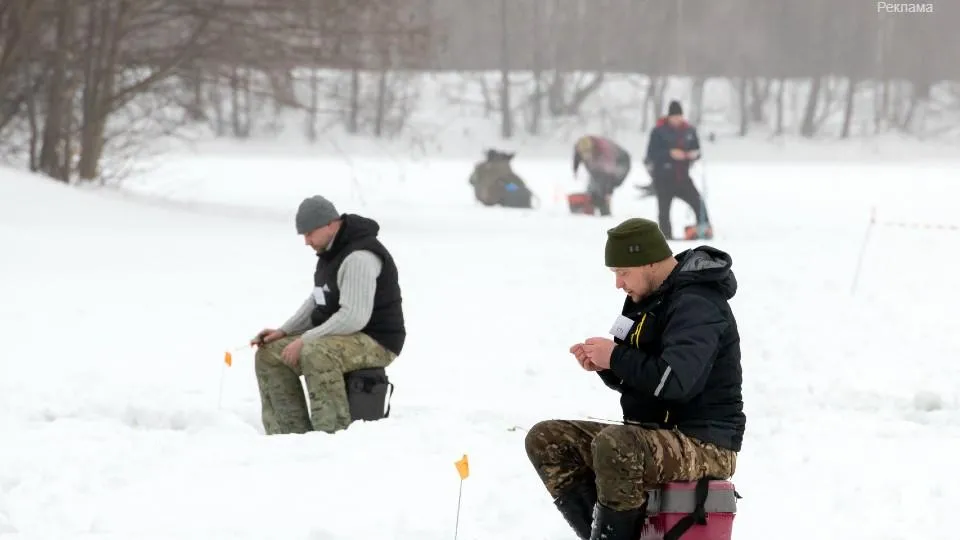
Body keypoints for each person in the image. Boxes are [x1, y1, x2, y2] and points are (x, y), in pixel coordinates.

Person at [524, 217, 745, 540]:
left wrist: (615, 357)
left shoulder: (698, 303)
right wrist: (606, 366)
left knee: (615, 445)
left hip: (705, 442)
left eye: (622, 273)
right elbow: (642, 377)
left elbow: (676, 382)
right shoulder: (647, 298)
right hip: (655, 435)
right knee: (548, 439)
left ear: (651, 262)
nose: (618, 284)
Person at [251, 195, 405, 435]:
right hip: (340, 334)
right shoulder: (331, 253)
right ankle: (288, 434)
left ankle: (331, 435)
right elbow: (317, 299)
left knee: (316, 352)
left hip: (377, 340)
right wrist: (284, 331)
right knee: (270, 354)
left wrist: (306, 339)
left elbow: (354, 317)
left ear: (330, 224)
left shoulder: (359, 257)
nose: (306, 241)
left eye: (309, 233)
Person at [644, 101, 711, 239]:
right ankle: (666, 237)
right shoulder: (658, 131)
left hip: (682, 177)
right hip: (663, 178)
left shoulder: (689, 131)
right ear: (669, 117)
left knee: (698, 203)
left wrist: (694, 154)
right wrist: (670, 154)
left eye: (679, 116)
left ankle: (703, 229)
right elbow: (651, 154)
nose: (677, 120)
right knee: (664, 211)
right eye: (674, 117)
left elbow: (697, 150)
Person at [572, 135, 631, 216]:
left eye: (588, 152)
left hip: (621, 160)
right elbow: (577, 158)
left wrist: (608, 192)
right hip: (600, 159)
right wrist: (575, 170)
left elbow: (609, 173)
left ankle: (604, 207)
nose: (586, 156)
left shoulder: (604, 149)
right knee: (596, 180)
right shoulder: (579, 147)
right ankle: (592, 200)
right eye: (584, 154)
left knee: (607, 183)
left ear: (592, 149)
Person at [468, 149, 534, 208]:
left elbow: (471, 181)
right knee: (509, 186)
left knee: (509, 186)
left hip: (484, 197)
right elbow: (516, 183)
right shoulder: (502, 167)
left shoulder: (481, 166)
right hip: (491, 197)